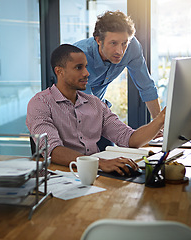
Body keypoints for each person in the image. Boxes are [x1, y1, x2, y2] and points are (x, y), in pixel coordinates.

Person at [26, 44, 165, 176]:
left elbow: (129, 139)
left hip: (96, 175)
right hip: (60, 178)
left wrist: (160, 120)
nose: (87, 73)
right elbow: (52, 151)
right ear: (59, 71)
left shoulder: (94, 103)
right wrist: (101, 163)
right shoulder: (40, 104)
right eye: (79, 67)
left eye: (86, 67)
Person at [73, 10, 160, 117]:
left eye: (124, 43)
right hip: (71, 112)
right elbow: (86, 103)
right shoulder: (78, 56)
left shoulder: (132, 47)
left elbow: (146, 86)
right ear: (98, 40)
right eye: (113, 43)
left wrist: (160, 125)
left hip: (96, 109)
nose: (120, 51)